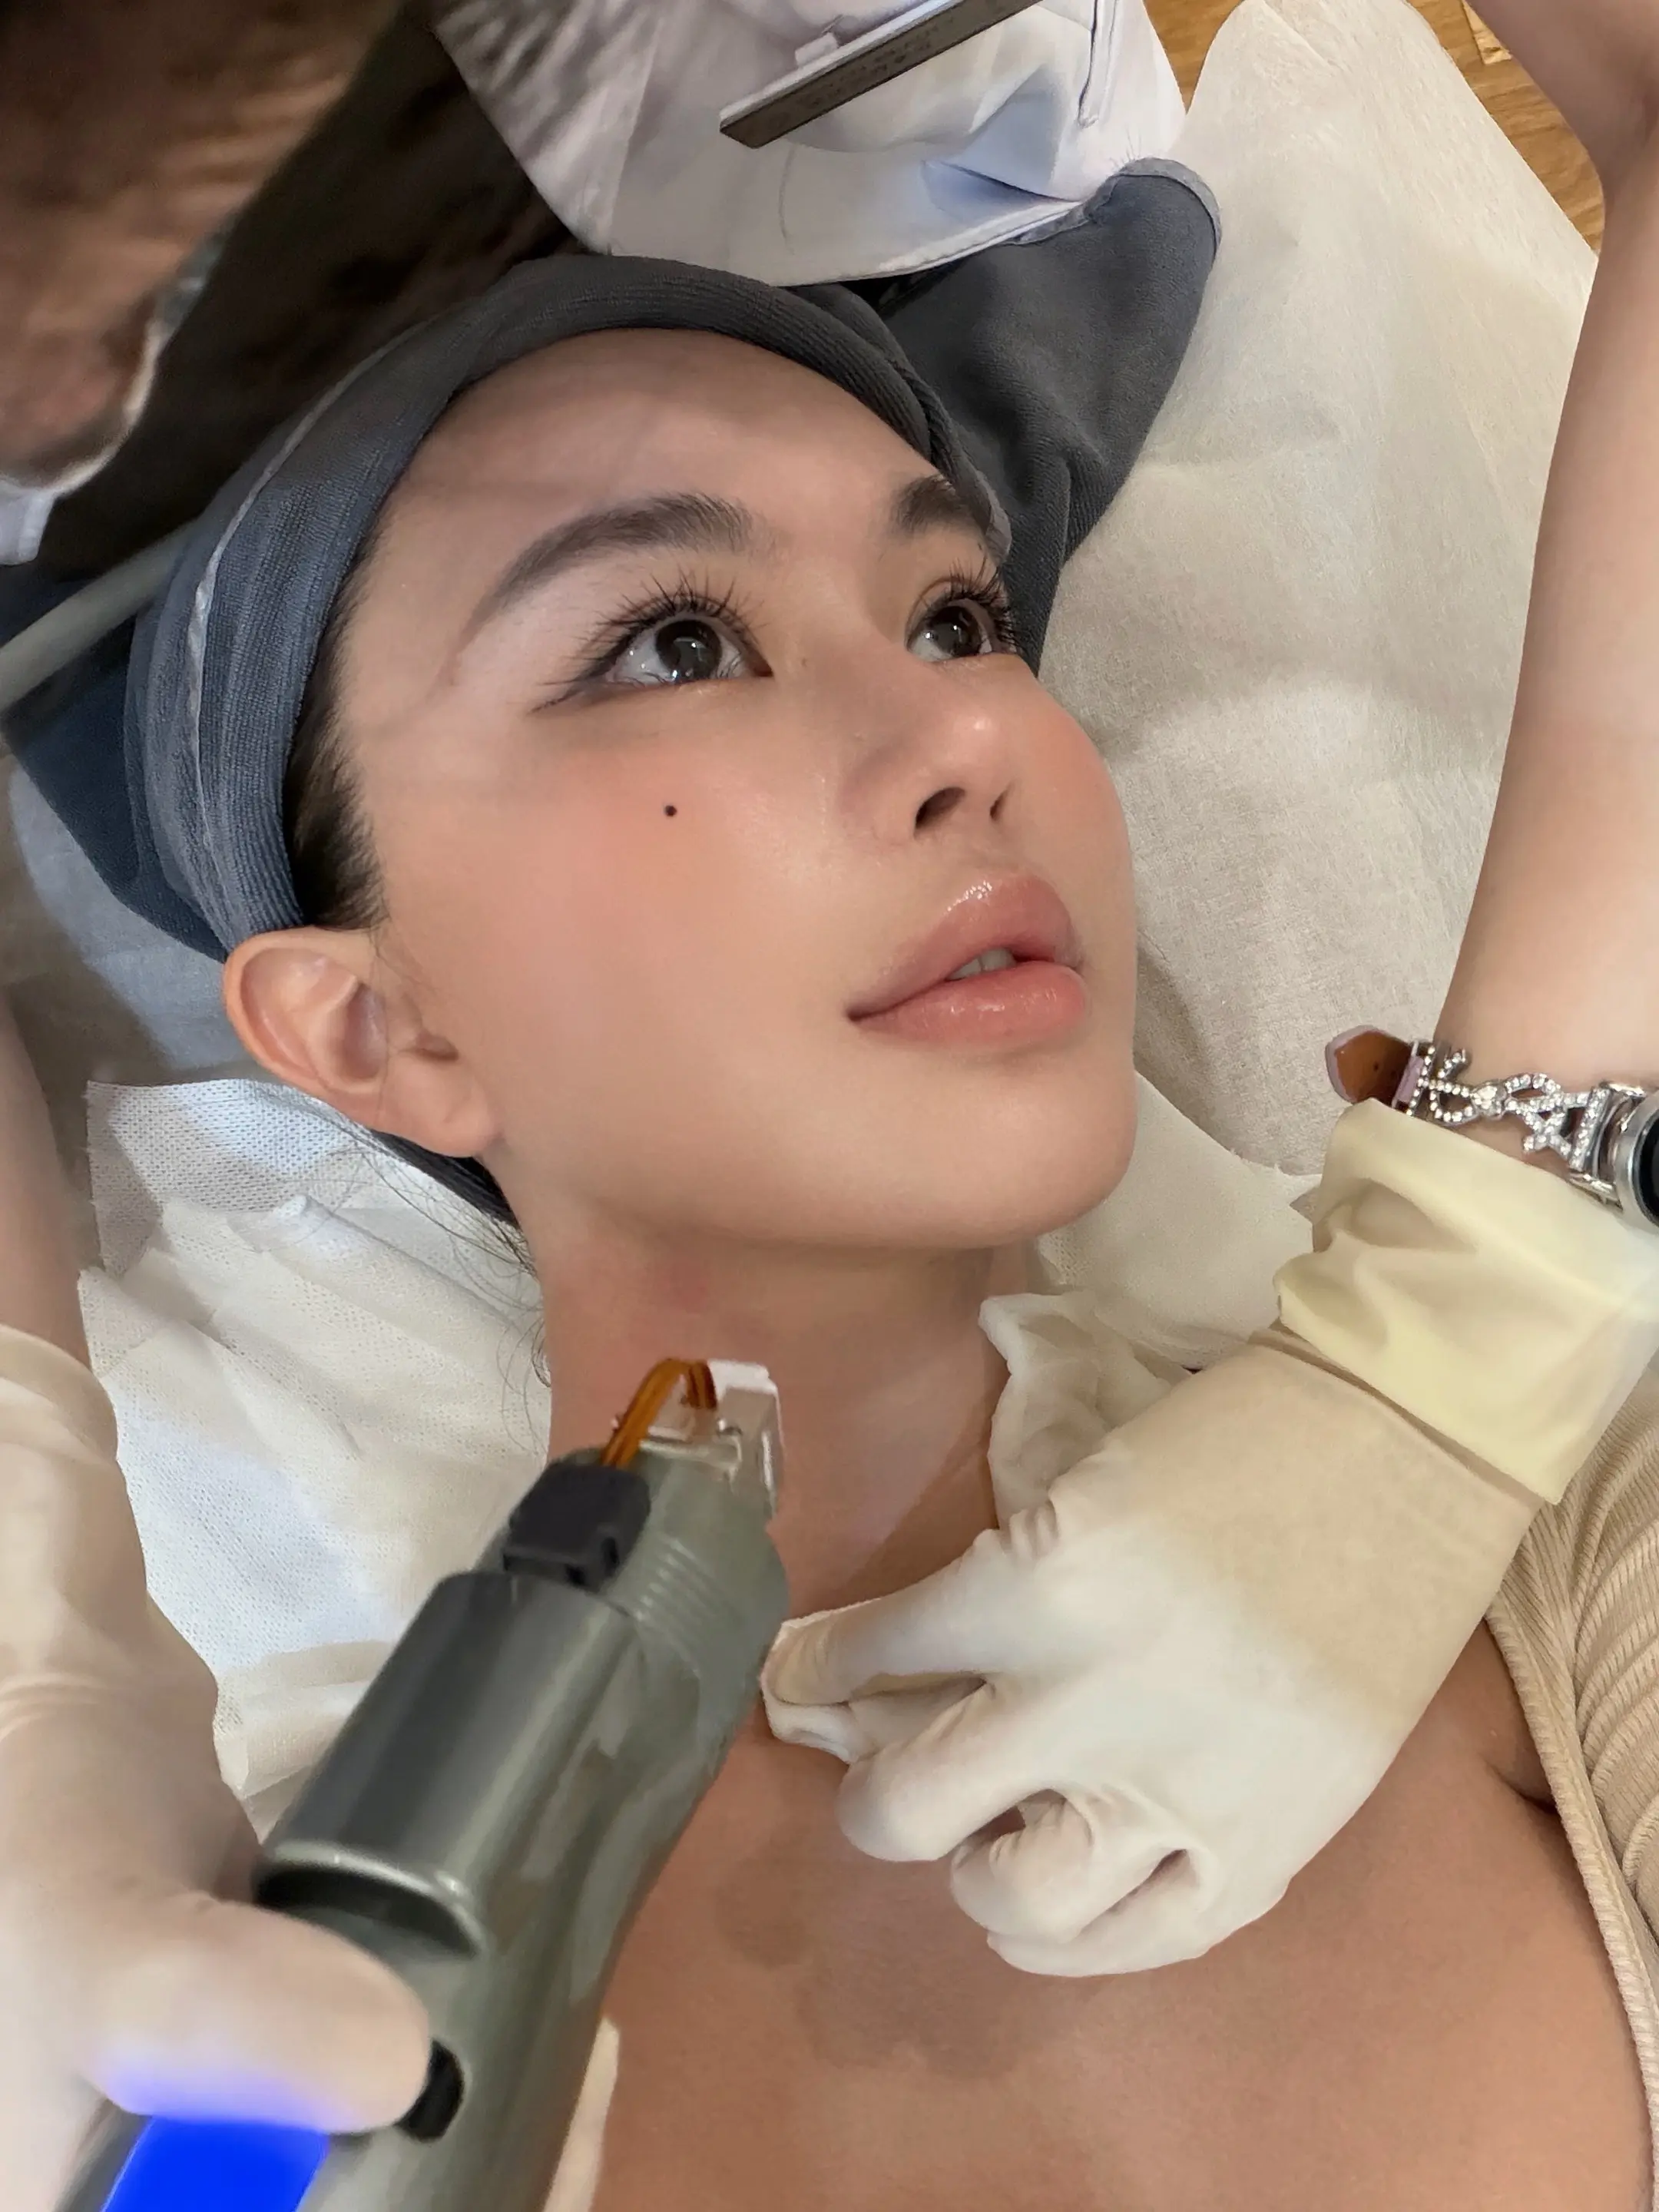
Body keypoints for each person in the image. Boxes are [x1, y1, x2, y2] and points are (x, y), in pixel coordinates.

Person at [17, 52, 1657, 2192]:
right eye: (670, 644)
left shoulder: (1541, 1564)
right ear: (374, 1026)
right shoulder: (235, 2010)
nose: (968, 731)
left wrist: (1455, 1355)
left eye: (960, 616)